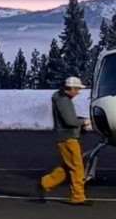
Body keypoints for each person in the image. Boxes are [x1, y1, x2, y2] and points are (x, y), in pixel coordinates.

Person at [38, 76, 92, 206]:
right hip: (67, 138)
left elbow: (69, 118)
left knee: (69, 166)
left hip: (65, 137)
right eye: (77, 89)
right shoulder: (63, 101)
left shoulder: (62, 99)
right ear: (71, 88)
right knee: (77, 167)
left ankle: (46, 183)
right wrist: (83, 121)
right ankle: (78, 197)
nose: (78, 92)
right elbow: (69, 121)